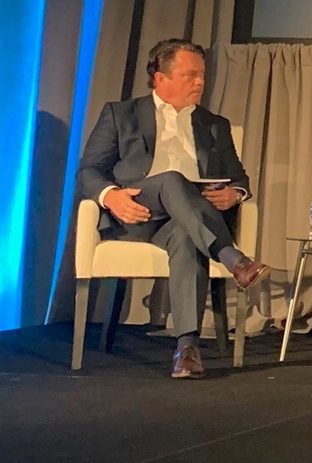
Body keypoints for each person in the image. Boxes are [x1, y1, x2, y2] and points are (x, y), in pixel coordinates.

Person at [77, 39, 270, 378]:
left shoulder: (214, 124)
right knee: (171, 180)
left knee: (186, 236)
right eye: (190, 75)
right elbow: (88, 170)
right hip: (137, 213)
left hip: (187, 220)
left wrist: (234, 194)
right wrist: (111, 196)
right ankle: (232, 258)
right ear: (160, 78)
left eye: (202, 75)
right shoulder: (120, 115)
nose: (200, 82)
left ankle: (187, 350)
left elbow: (239, 178)